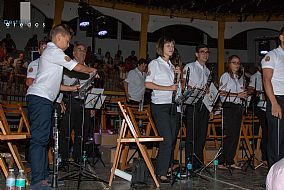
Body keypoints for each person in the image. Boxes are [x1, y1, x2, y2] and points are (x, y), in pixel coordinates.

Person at [26, 24, 97, 189]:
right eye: (67, 40)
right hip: (40, 98)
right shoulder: (54, 51)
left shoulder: (52, 54)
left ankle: (44, 176)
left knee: (44, 139)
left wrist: (72, 88)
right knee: (39, 140)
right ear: (59, 38)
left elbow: (53, 83)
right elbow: (76, 66)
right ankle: (38, 181)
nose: (68, 44)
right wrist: (92, 70)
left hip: (44, 98)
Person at [145, 36, 180, 183]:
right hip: (160, 105)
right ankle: (161, 173)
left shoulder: (172, 65)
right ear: (161, 47)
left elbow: (176, 87)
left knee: (171, 140)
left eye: (172, 45)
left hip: (174, 105)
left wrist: (178, 76)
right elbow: (148, 84)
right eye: (168, 45)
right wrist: (168, 88)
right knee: (166, 139)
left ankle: (162, 168)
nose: (171, 48)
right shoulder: (154, 64)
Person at [59, 43, 93, 163]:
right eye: (80, 50)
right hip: (70, 100)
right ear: (74, 52)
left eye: (84, 50)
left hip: (84, 103)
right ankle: (63, 158)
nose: (82, 52)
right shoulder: (68, 65)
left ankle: (77, 158)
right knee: (66, 132)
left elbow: (91, 88)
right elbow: (60, 83)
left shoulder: (89, 68)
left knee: (82, 132)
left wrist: (92, 105)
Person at [183, 44, 211, 169]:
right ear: (197, 54)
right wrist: (194, 88)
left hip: (204, 104)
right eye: (202, 52)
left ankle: (198, 162)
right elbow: (184, 84)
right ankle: (189, 162)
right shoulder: (190, 66)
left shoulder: (207, 71)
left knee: (201, 134)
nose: (205, 54)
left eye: (207, 52)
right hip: (192, 102)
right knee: (192, 134)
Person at [218, 55, 247, 169]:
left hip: (237, 107)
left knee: (235, 135)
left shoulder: (237, 78)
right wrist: (237, 95)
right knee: (228, 134)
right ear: (229, 64)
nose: (236, 65)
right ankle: (221, 161)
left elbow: (240, 93)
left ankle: (230, 160)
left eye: (238, 63)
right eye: (234, 62)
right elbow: (221, 93)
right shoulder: (225, 76)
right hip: (229, 107)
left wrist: (244, 94)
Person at [262, 26, 284, 168]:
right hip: (277, 99)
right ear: (282, 38)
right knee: (276, 140)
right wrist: (274, 103)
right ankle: (274, 177)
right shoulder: (272, 55)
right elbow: (266, 80)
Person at [247, 65, 268, 165]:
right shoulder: (255, 76)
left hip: (268, 106)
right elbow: (250, 90)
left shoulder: (269, 75)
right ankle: (264, 156)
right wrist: (259, 93)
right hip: (259, 106)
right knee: (266, 129)